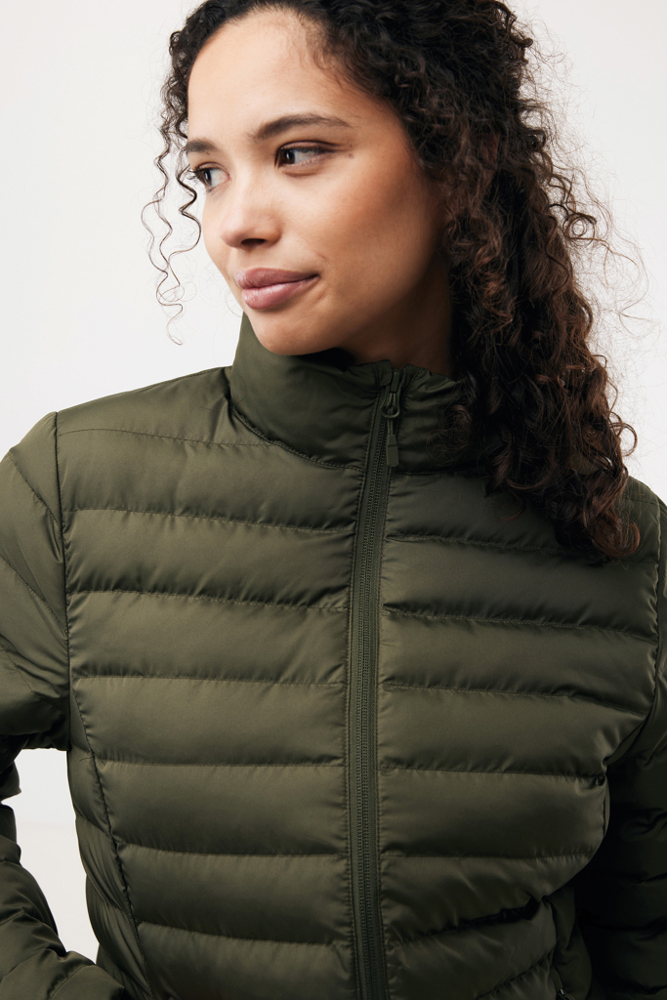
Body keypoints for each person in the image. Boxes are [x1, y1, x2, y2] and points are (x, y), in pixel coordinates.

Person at [0, 1, 664, 998]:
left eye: (297, 153)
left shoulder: (616, 540)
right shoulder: (71, 487)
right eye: (209, 170)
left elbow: (646, 935)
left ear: (456, 156)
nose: (235, 221)